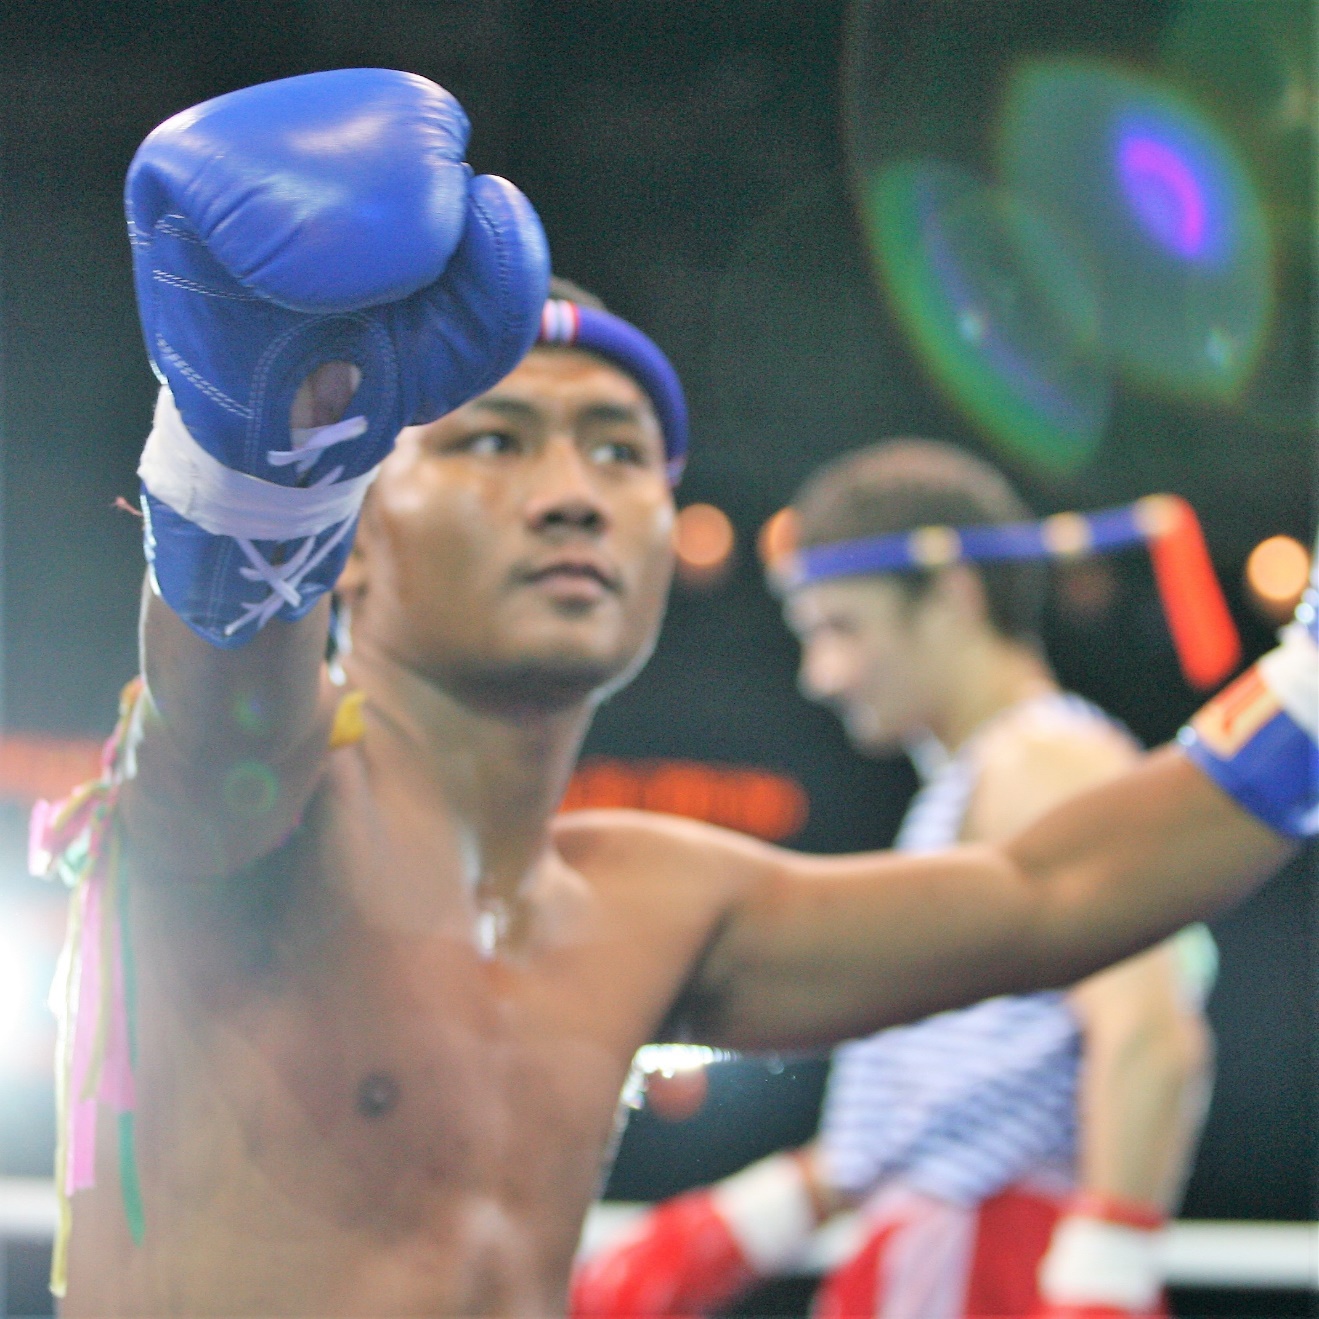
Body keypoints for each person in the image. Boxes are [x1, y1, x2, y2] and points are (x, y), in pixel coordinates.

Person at [29, 69, 1311, 1317]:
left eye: (619, 449)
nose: (573, 494)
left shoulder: (651, 903)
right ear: (354, 533)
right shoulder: (265, 813)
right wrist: (256, 475)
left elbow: (1053, 892)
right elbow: (220, 706)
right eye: (495, 439)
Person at [571, 442, 1218, 1319]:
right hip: (946, 1240)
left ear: (951, 596)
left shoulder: (1043, 760)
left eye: (841, 628)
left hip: (992, 1249)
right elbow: (947, 1104)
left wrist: (1103, 1276)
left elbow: (1149, 1033)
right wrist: (741, 1220)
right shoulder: (981, 776)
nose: (820, 675)